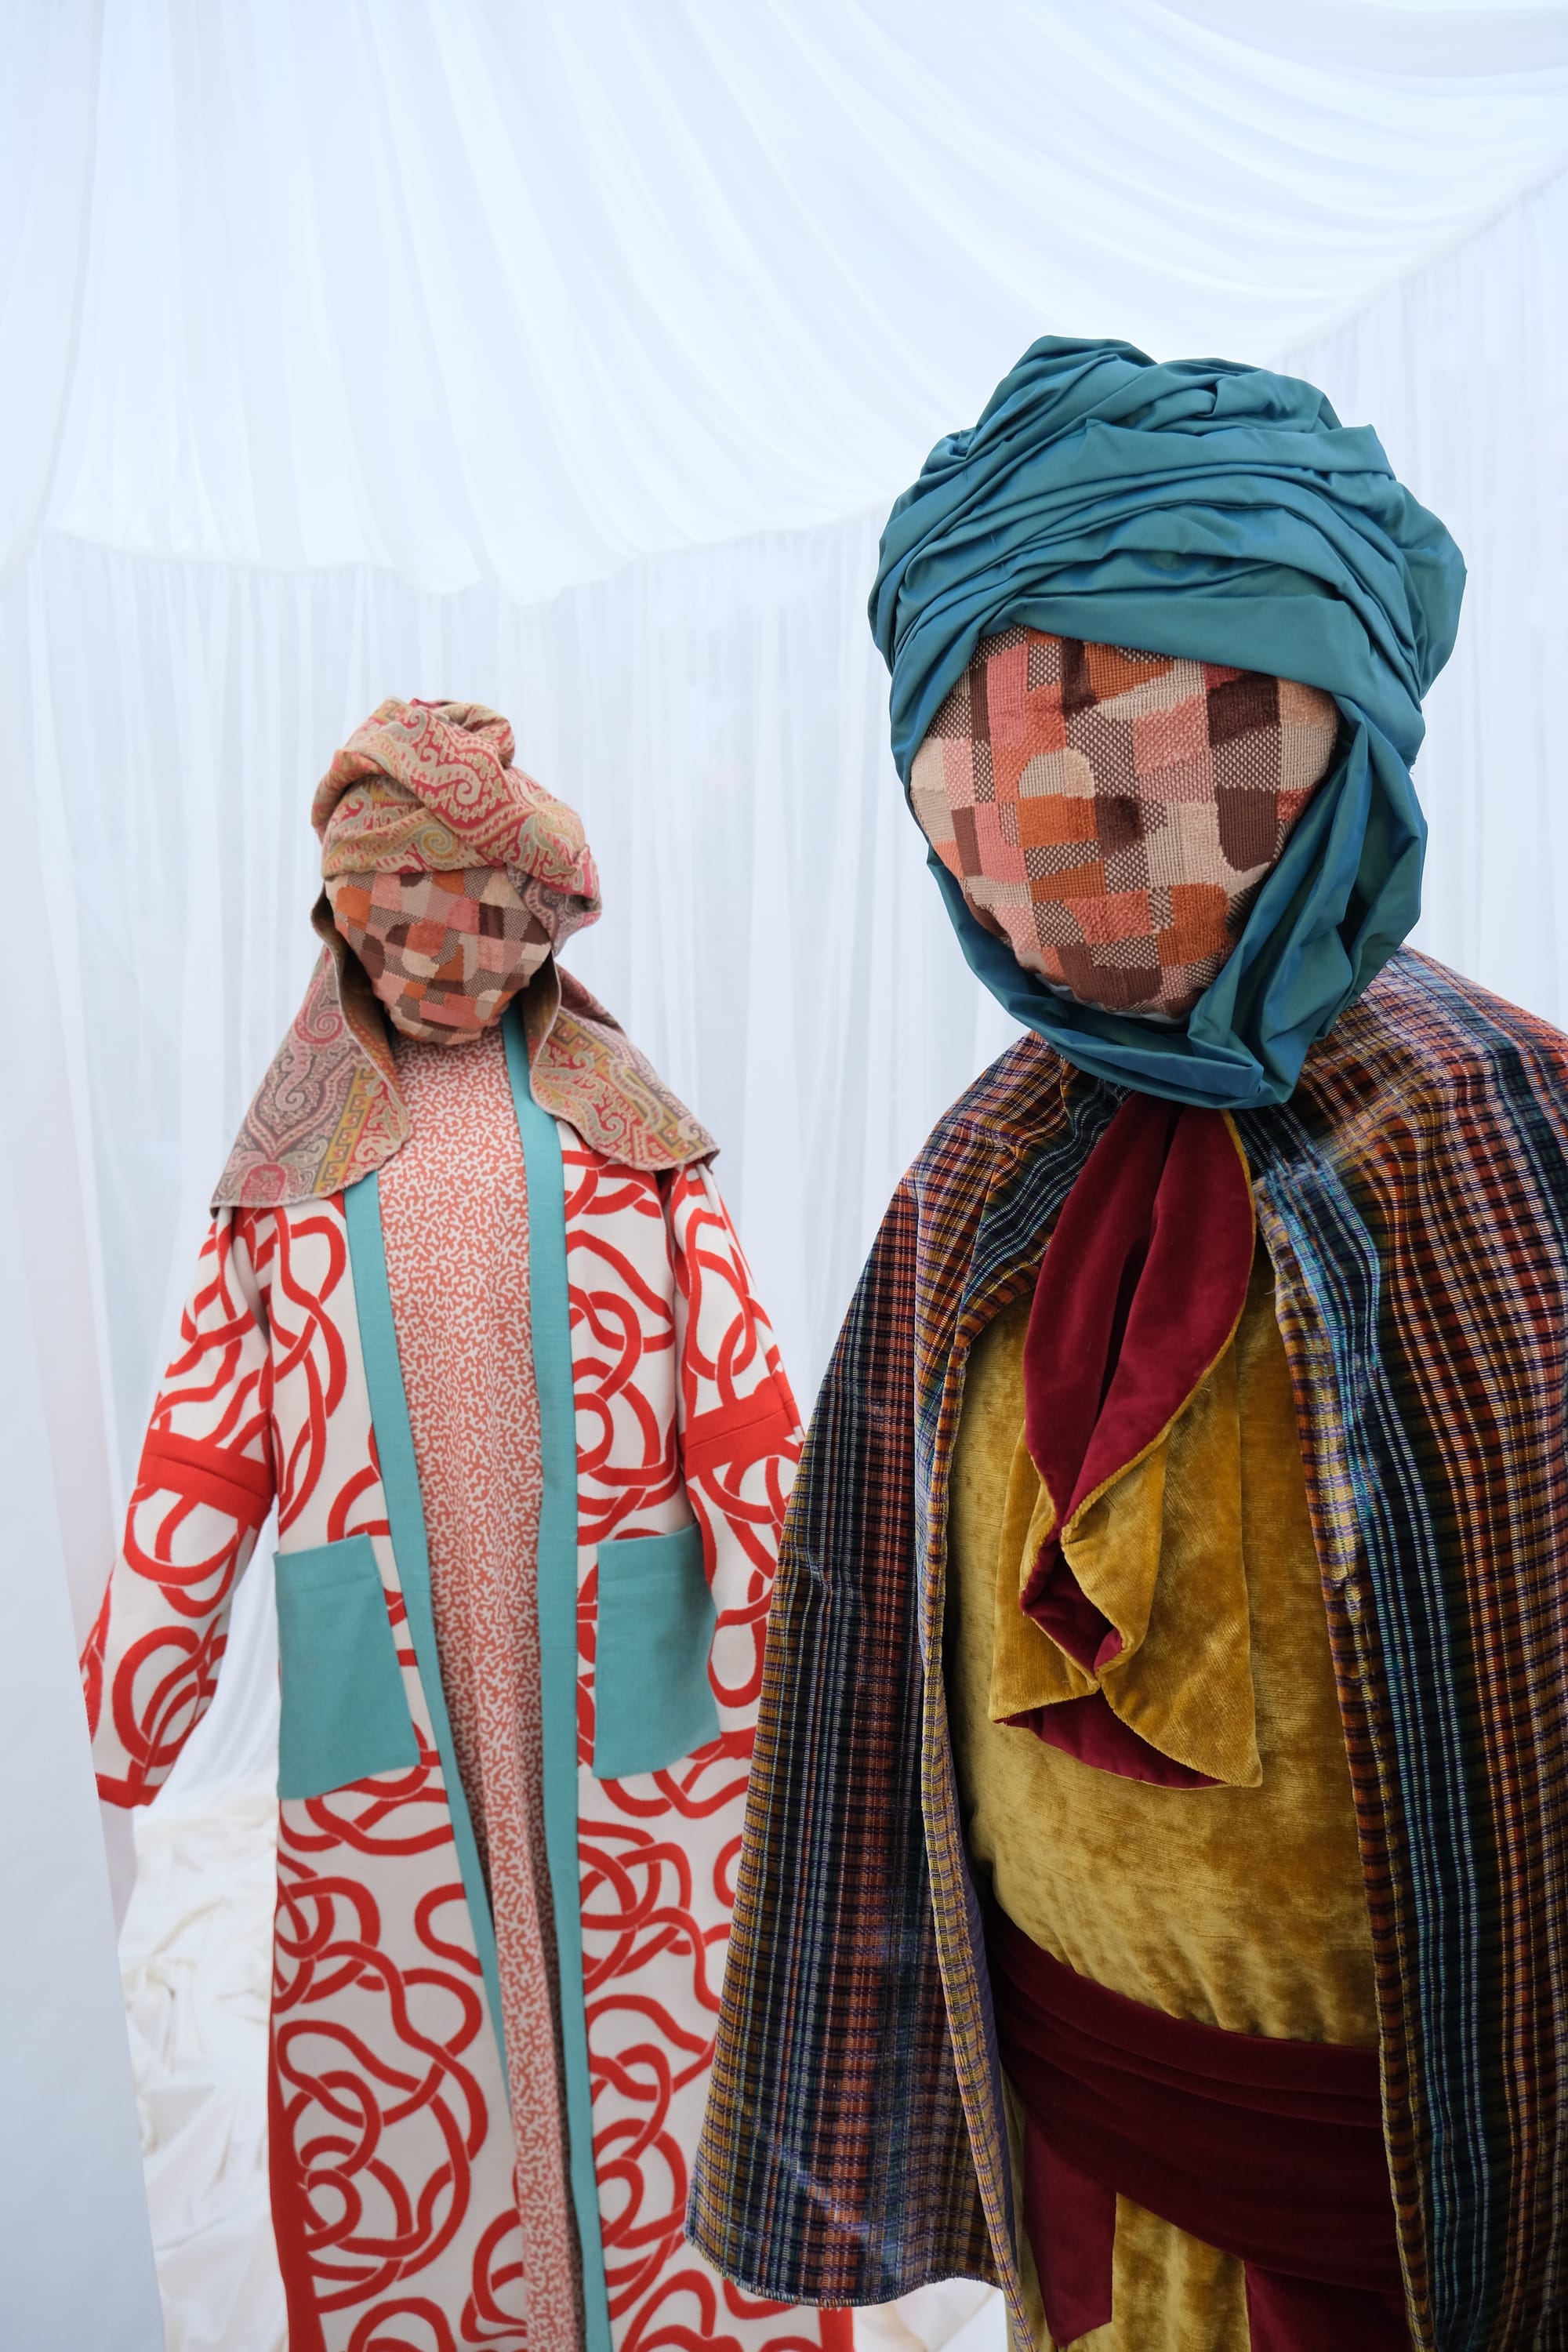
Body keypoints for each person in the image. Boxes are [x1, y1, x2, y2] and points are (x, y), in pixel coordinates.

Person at [689, 339, 1568, 2350]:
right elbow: (871, 1645)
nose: (1043, 857)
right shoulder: (980, 1172)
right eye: (974, 789)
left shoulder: (1510, 1141)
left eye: (1135, 783)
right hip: (1073, 2154)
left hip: (1410, 2214)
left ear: (1332, 751)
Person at [84, 697, 851, 2352]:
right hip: (398, 1676)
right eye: (407, 913)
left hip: (609, 1659)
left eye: (484, 916)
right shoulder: (289, 1169)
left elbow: (739, 1404)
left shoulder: (628, 1135)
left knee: (659, 2023)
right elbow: (205, 1447)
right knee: (413, 2048)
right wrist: (123, 1706)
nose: (445, 952)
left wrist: (807, 1639)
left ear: (540, 922)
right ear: (351, 918)